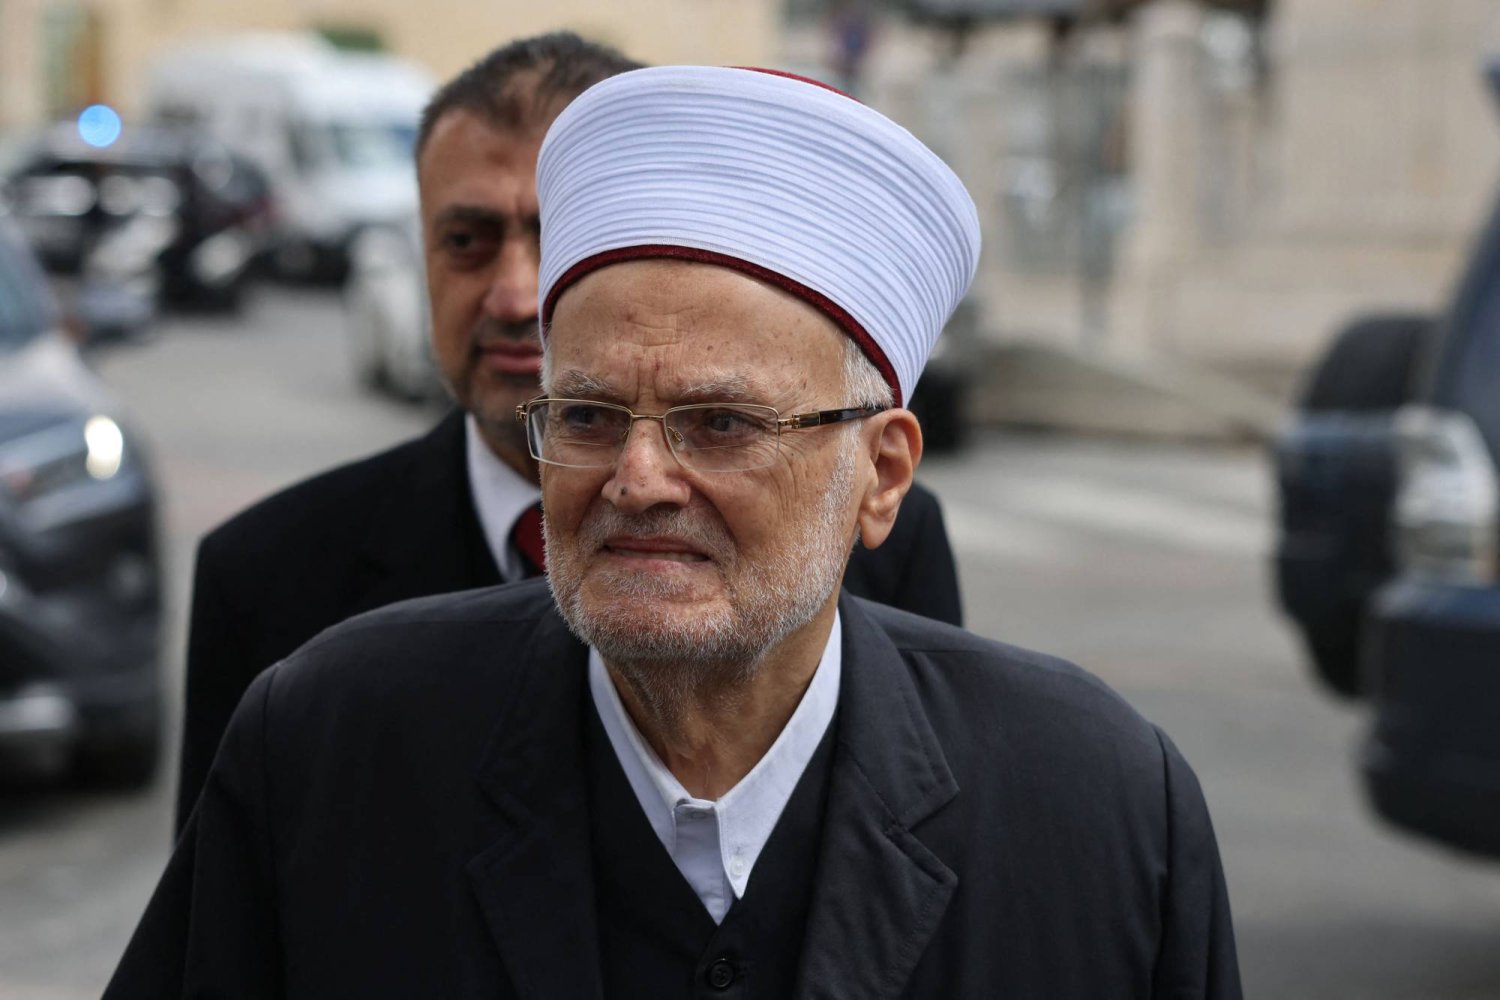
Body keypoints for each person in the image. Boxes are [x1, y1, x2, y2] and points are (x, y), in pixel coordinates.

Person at [108, 65, 1241, 998]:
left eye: (721, 424)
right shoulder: (328, 748)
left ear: (881, 474)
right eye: (589, 416)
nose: (639, 479)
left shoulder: (1099, 809)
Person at [173, 33, 964, 835]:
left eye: (722, 423)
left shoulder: (889, 547)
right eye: (468, 241)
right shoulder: (277, 596)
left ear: (879, 477)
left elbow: (931, 800)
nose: (519, 295)